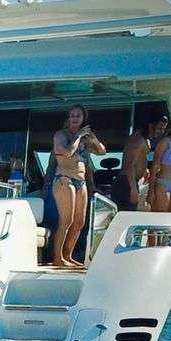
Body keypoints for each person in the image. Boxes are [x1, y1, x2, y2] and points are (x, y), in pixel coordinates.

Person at [49, 104, 106, 268]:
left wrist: (91, 137)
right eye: (72, 115)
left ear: (83, 119)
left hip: (81, 182)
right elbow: (67, 152)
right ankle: (57, 258)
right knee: (66, 221)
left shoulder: (84, 138)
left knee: (79, 222)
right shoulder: (61, 135)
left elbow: (102, 151)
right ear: (68, 118)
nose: (75, 118)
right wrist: (78, 136)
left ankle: (68, 255)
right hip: (65, 179)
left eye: (78, 116)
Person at [119, 110, 166, 211]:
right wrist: (133, 189)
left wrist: (144, 171)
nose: (161, 132)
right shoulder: (137, 139)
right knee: (128, 214)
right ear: (150, 125)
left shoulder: (145, 140)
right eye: (159, 128)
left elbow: (139, 160)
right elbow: (129, 165)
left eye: (163, 129)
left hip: (133, 182)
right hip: (126, 184)